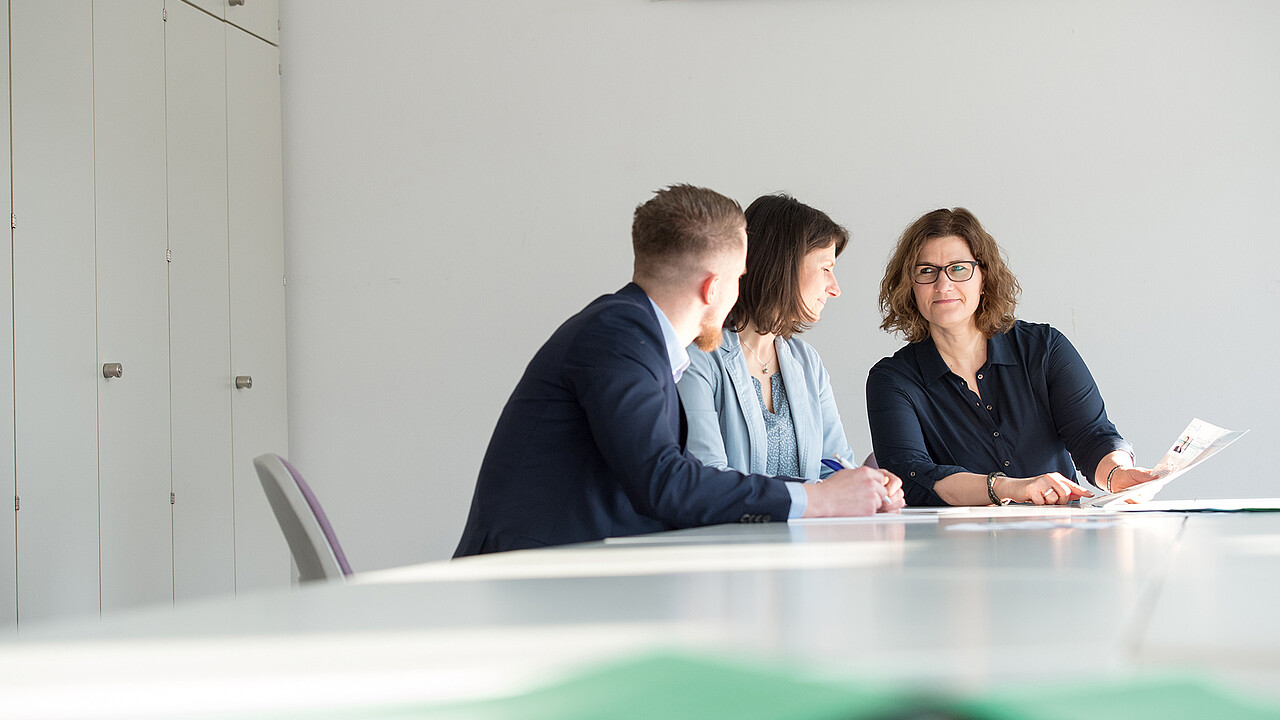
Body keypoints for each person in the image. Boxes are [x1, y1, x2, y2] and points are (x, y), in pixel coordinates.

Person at [455, 185, 904, 557]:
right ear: (714, 287)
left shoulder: (635, 335)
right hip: (531, 575)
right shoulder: (620, 336)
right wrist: (819, 498)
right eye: (739, 276)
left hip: (573, 572)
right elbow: (666, 481)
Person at [866, 207, 1158, 507]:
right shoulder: (892, 380)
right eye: (926, 271)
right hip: (956, 551)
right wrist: (1007, 488)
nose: (943, 285)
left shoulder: (1044, 348)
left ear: (984, 277)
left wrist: (1117, 474)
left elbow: (1092, 435)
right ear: (910, 285)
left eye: (958, 268)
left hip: (1059, 541)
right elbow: (912, 478)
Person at [677, 193, 856, 480]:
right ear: (784, 265)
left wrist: (865, 485)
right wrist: (816, 495)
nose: (835, 288)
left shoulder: (806, 361)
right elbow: (709, 478)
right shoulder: (699, 358)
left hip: (808, 526)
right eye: (826, 269)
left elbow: (834, 467)